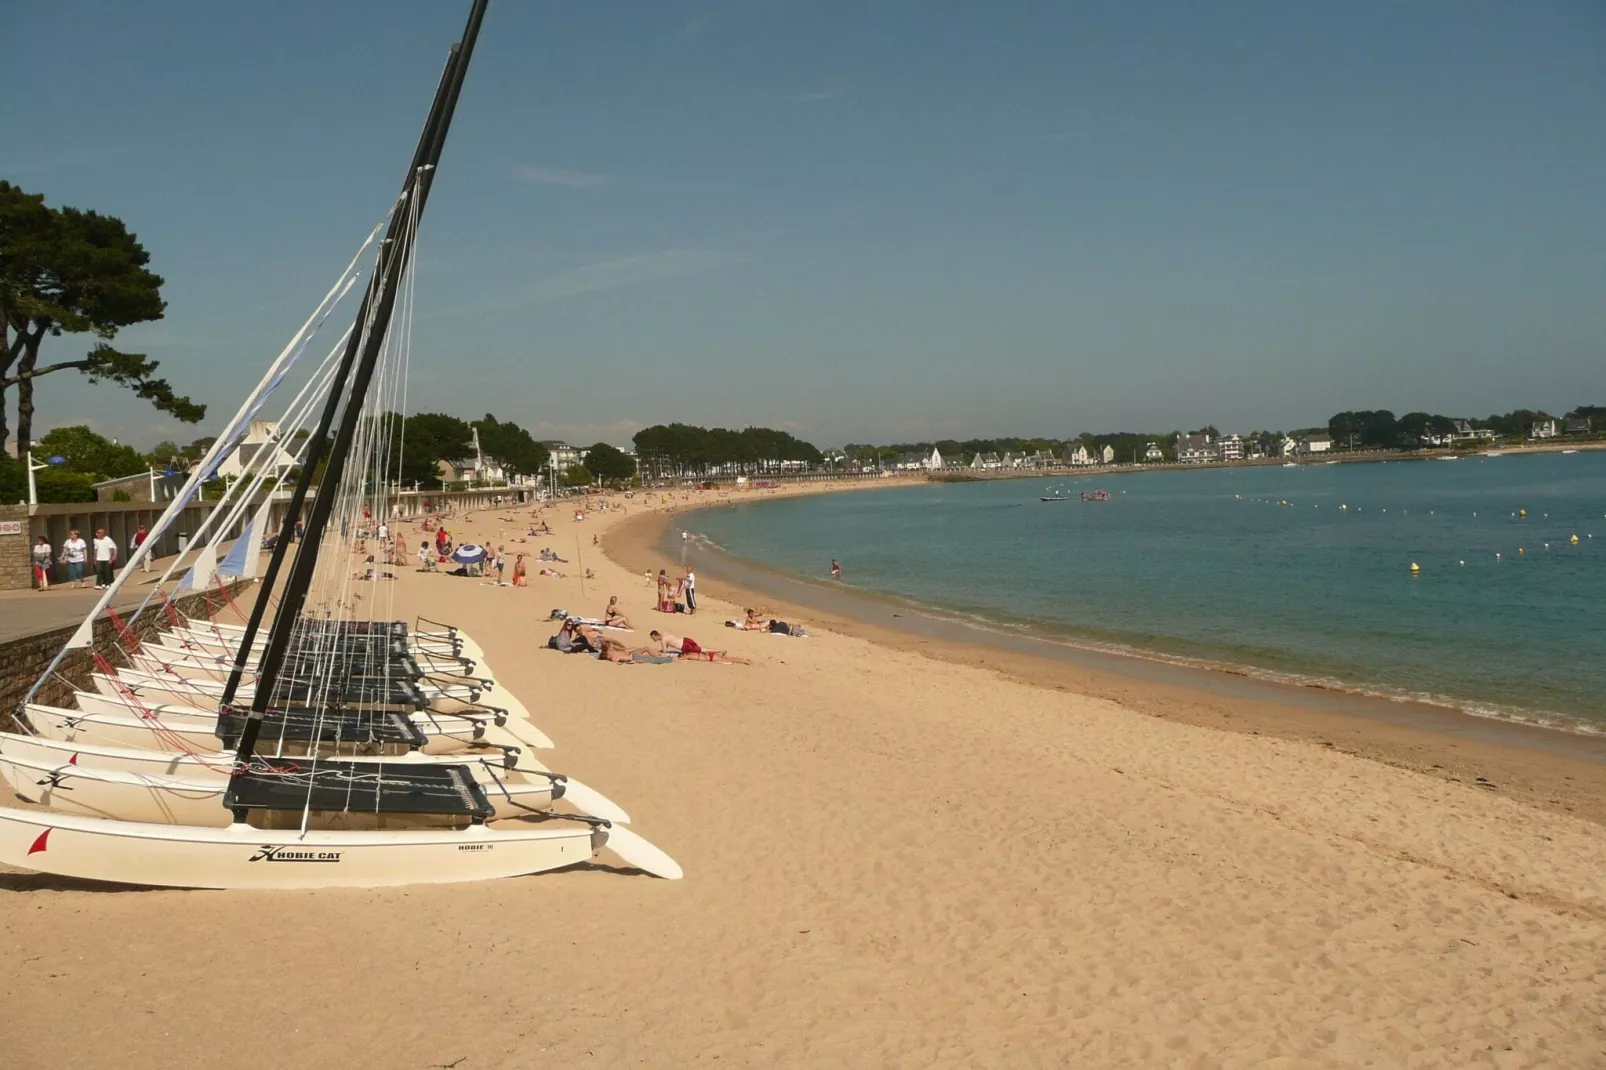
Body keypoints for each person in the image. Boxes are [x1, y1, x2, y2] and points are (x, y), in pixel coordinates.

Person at [647, 629, 747, 663]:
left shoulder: (663, 640)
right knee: (702, 649)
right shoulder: (665, 635)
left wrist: (657, 653)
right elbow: (668, 645)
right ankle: (719, 651)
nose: (654, 640)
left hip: (685, 646)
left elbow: (664, 652)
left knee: (701, 650)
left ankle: (720, 651)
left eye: (653, 638)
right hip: (685, 640)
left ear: (656, 635)